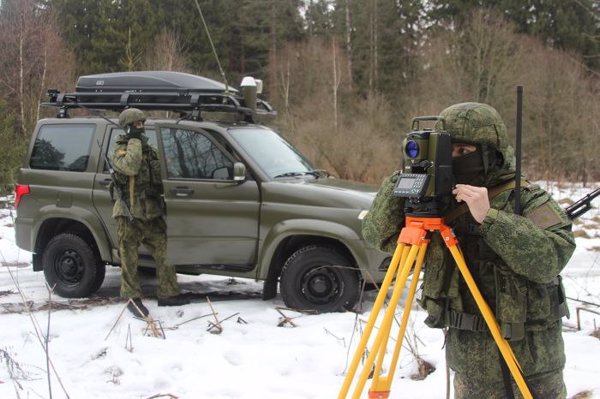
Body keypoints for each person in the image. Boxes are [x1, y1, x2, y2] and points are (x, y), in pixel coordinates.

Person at [362, 102, 575, 398]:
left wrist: (490, 218)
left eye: (464, 152)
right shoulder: (439, 200)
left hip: (533, 363)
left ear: (491, 153)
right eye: (446, 150)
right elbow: (377, 235)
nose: (454, 159)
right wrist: (404, 181)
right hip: (472, 367)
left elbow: (551, 257)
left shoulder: (523, 197)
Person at [112, 108, 190, 318]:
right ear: (128, 127)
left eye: (142, 123)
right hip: (130, 214)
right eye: (136, 124)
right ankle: (131, 297)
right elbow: (131, 167)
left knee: (165, 252)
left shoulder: (151, 150)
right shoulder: (120, 150)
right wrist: (134, 141)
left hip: (152, 213)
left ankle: (168, 293)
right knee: (129, 257)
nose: (141, 127)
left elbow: (164, 173)